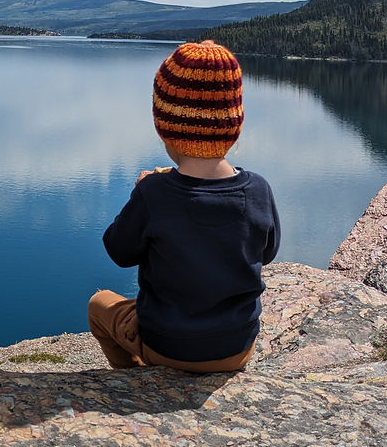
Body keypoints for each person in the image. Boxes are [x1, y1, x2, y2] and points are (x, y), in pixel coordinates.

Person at [88, 39, 280, 374]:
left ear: (164, 124)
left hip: (169, 347)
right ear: (233, 126)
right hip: (237, 346)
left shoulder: (155, 194)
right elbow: (268, 252)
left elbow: (118, 250)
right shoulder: (258, 189)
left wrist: (142, 192)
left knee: (99, 305)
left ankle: (135, 378)